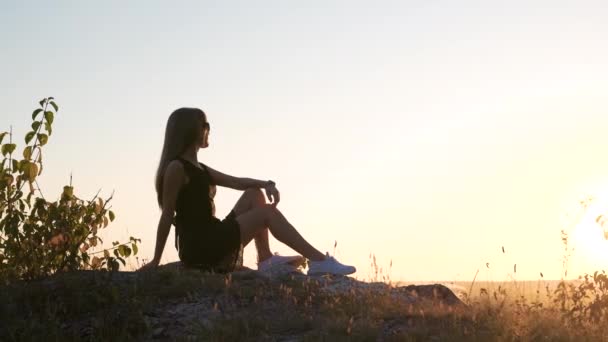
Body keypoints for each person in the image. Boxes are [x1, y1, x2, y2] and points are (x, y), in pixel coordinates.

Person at [138, 107, 356, 276]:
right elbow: (167, 214)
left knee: (254, 193)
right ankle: (319, 262)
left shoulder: (199, 168)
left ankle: (266, 259)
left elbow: (236, 182)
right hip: (201, 246)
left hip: (213, 235)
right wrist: (156, 260)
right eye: (205, 125)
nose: (208, 129)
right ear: (191, 131)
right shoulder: (176, 168)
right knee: (267, 213)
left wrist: (266, 183)